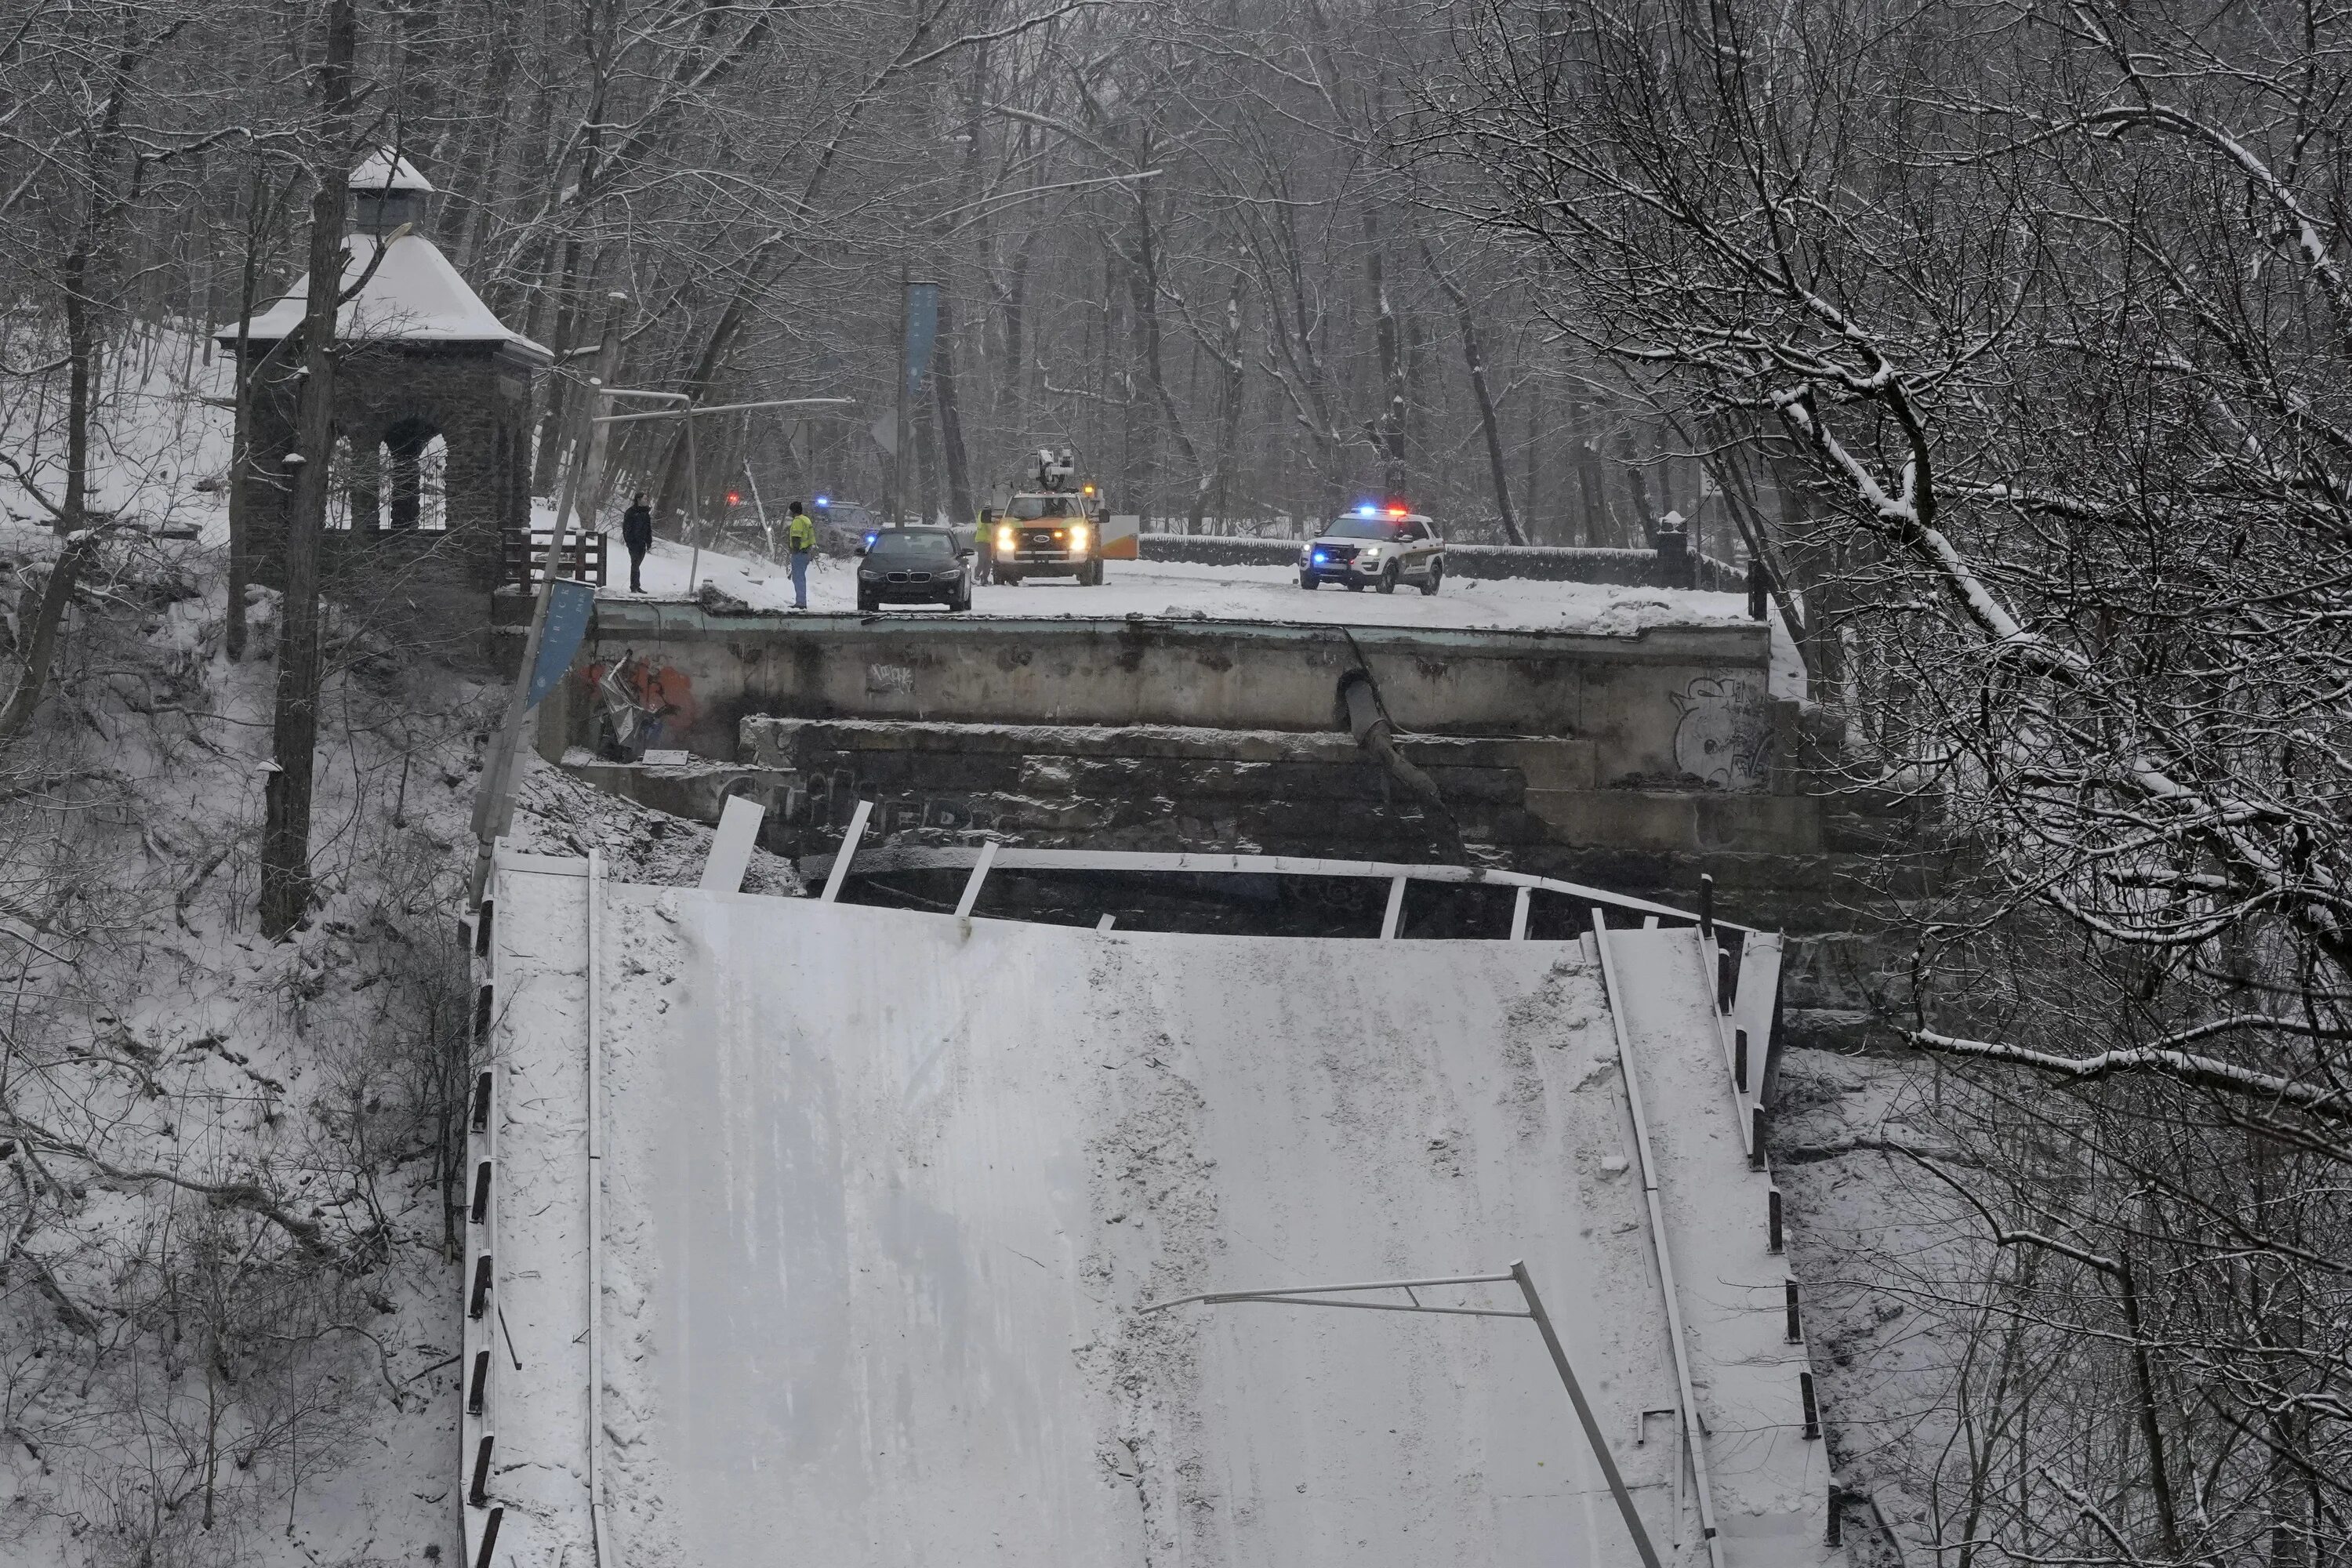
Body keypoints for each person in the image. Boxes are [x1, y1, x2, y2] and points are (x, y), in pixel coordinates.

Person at [786, 499, 817, 609]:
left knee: (798, 578)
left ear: (793, 511)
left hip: (799, 553)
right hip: (807, 552)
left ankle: (801, 603)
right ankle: (801, 601)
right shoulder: (806, 519)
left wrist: (794, 549)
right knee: (801, 577)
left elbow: (796, 537)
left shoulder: (797, 521)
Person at [621, 492, 654, 593]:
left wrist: (649, 542)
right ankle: (634, 586)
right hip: (634, 543)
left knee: (637, 564)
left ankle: (636, 585)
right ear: (639, 500)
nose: (646, 501)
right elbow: (626, 528)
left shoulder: (645, 513)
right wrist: (629, 541)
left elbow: (648, 529)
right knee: (635, 563)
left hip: (642, 543)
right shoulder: (631, 512)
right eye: (644, 499)